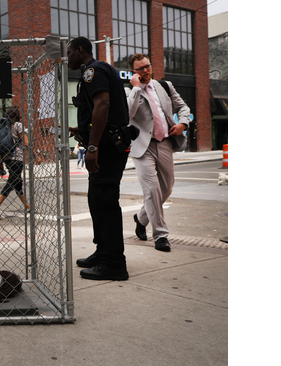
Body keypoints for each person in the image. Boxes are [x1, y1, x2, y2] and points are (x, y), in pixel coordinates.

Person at [66, 37, 131, 281]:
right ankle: (103, 252)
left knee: (105, 202)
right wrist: (81, 130)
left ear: (80, 50)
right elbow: (100, 110)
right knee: (97, 200)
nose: (67, 56)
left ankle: (114, 263)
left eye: (70, 52)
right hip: (104, 145)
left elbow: (102, 106)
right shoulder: (98, 70)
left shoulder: (94, 71)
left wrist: (92, 146)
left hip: (106, 148)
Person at [126, 53, 190, 252]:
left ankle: (141, 217)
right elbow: (127, 113)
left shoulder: (165, 86)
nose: (145, 71)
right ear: (133, 72)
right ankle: (161, 235)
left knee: (167, 189)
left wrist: (183, 123)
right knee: (152, 190)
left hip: (164, 143)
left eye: (147, 66)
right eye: (141, 68)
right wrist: (136, 88)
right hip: (142, 147)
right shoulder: (128, 90)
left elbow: (183, 107)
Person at [0, 106, 29, 218]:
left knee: (17, 183)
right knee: (12, 181)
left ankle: (28, 207)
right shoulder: (18, 125)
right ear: (17, 115)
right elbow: (26, 142)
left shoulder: (3, 127)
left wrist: (0, 162)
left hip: (7, 159)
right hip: (17, 159)